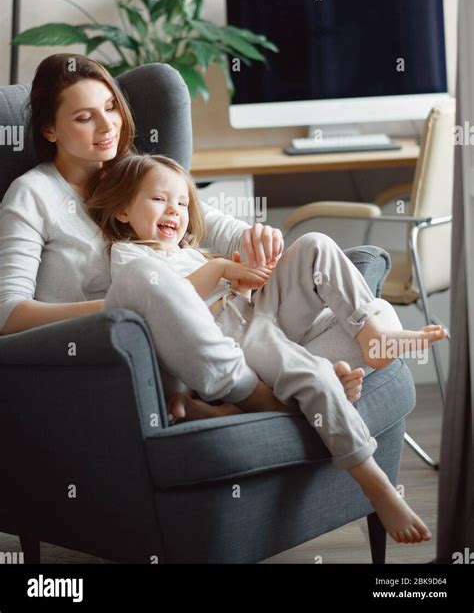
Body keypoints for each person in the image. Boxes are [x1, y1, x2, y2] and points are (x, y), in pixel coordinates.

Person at [86, 152, 447, 545]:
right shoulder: (128, 256)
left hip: (255, 312)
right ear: (122, 211)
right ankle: (375, 484)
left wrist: (243, 281)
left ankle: (372, 334)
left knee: (314, 244)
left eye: (183, 203)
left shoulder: (189, 252)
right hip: (237, 342)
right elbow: (172, 299)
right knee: (313, 374)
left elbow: (230, 290)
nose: (174, 210)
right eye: (159, 199)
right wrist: (221, 269)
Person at [0, 53, 289, 420]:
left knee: (280, 286)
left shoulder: (133, 173)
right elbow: (7, 314)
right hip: (96, 348)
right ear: (49, 130)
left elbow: (207, 222)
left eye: (111, 108)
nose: (107, 126)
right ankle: (256, 397)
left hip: (180, 338)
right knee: (165, 287)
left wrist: (257, 236)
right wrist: (125, 307)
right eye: (85, 117)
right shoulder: (32, 194)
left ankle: (293, 380)